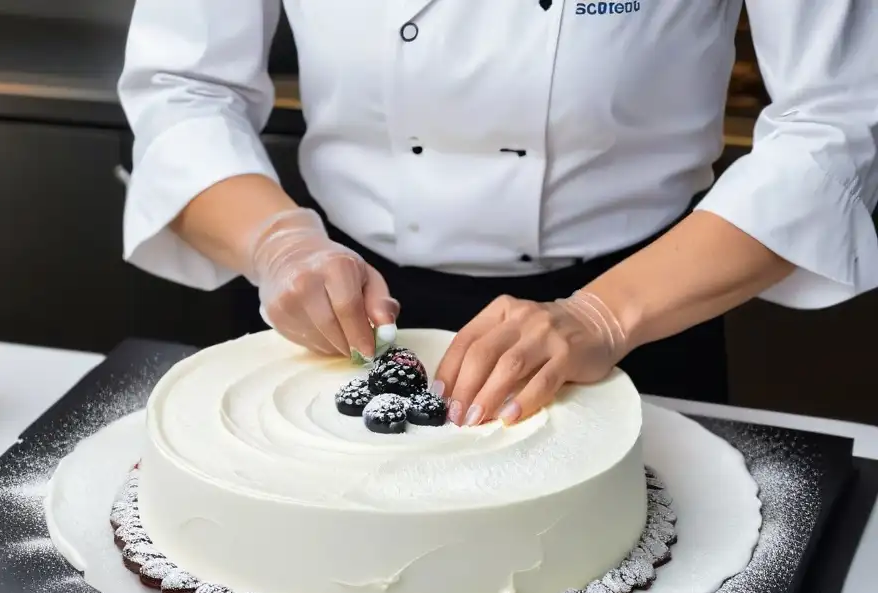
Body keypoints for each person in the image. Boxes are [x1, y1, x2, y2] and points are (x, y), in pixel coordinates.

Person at [118, 1, 878, 427]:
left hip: (642, 317)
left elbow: (839, 121)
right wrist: (278, 245)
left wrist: (604, 317)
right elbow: (183, 87)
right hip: (333, 308)